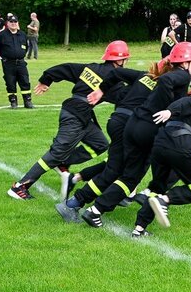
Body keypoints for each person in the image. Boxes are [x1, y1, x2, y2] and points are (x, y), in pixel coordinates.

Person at [78, 42, 191, 228]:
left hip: (133, 124)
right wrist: (169, 110)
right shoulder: (181, 75)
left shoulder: (165, 77)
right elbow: (167, 84)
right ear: (185, 63)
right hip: (147, 129)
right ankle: (104, 207)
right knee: (133, 175)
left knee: (125, 171)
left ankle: (94, 207)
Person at [7, 41, 130, 200]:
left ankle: (63, 162)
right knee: (56, 153)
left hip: (80, 114)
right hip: (75, 116)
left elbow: (65, 68)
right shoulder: (114, 81)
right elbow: (126, 97)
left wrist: (46, 79)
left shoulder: (90, 68)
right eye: (125, 59)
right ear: (120, 61)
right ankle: (20, 186)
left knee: (100, 144)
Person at [55, 61, 170, 221]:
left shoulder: (144, 75)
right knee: (124, 173)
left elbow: (116, 73)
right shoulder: (167, 87)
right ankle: (83, 205)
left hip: (117, 120)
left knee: (114, 167)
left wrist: (101, 90)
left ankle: (77, 198)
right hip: (131, 126)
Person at [131, 78, 191, 236]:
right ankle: (165, 200)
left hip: (161, 146)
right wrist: (170, 111)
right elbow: (183, 104)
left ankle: (139, 229)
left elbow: (182, 141)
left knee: (158, 188)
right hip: (176, 147)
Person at [0, 15, 33, 109]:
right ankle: (13, 101)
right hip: (8, 63)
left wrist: (20, 54)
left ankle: (27, 101)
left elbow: (26, 47)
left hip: (21, 63)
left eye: (15, 22)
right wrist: (4, 56)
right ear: (7, 23)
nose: (13, 24)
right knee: (10, 82)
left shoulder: (22, 34)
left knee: (25, 81)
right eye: (11, 22)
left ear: (17, 23)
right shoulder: (2, 35)